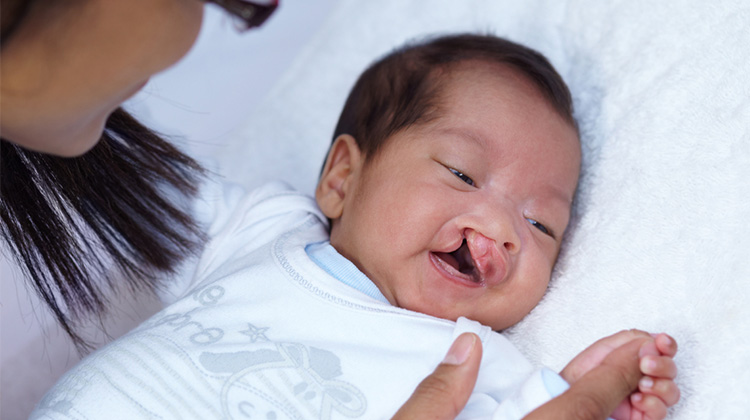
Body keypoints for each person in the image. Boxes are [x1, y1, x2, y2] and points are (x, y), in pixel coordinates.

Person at [30, 34, 679, 420]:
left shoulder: (477, 360)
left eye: (542, 224)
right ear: (342, 177)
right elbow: (128, 180)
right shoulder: (266, 229)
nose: (502, 226)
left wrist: (592, 389)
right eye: (460, 173)